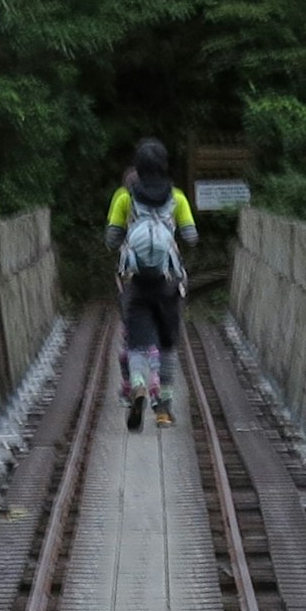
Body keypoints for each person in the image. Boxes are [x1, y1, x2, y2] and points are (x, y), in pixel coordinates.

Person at [105, 137, 193, 430]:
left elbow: (111, 240)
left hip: (136, 283)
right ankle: (164, 409)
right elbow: (192, 237)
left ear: (138, 168)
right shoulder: (177, 197)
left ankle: (139, 385)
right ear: (165, 165)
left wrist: (132, 235)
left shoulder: (124, 198)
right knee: (166, 345)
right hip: (168, 283)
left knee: (137, 343)